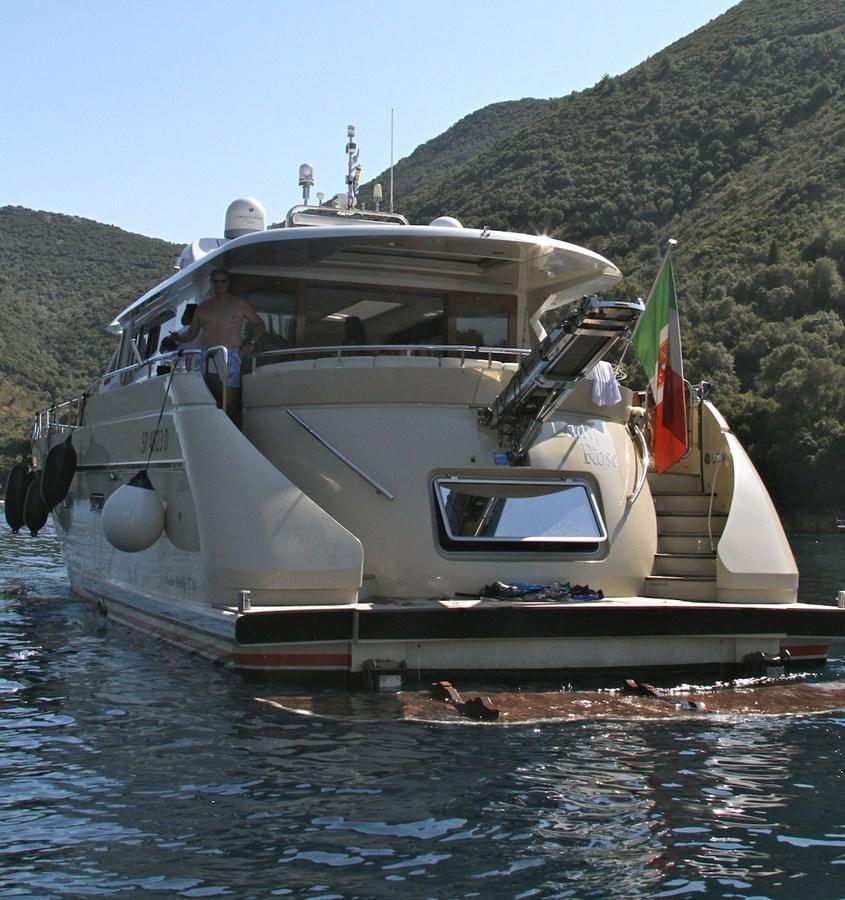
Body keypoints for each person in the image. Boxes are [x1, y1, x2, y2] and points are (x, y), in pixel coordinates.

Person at [168, 269, 265, 426]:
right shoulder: (203, 307)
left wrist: (251, 343)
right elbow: (192, 334)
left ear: (228, 283)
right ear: (211, 283)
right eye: (215, 281)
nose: (219, 284)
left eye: (222, 281)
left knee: (230, 399)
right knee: (207, 398)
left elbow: (258, 323)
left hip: (230, 354)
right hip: (205, 356)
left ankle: (234, 434)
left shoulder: (239, 304)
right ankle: (211, 430)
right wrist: (179, 338)